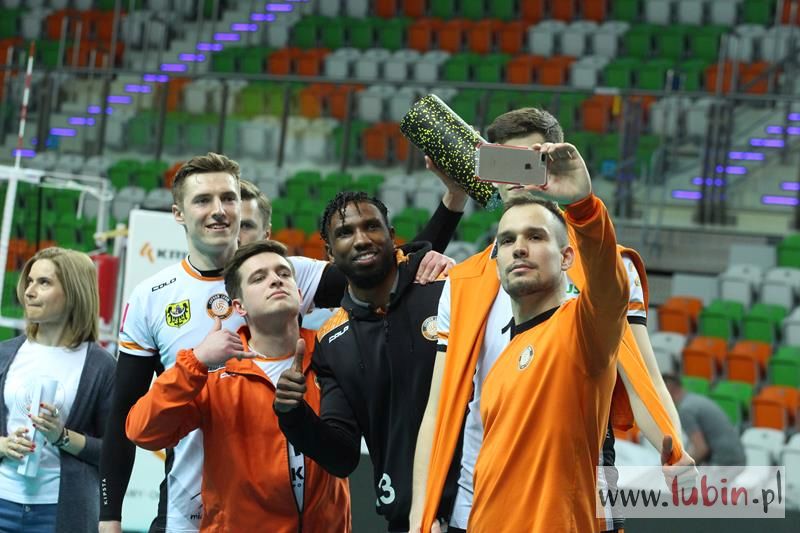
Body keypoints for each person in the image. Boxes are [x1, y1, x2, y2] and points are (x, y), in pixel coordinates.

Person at [99, 153, 462, 533]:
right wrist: (109, 517)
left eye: (228, 198)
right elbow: (128, 418)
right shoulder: (156, 303)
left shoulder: (322, 342)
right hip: (196, 510)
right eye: (203, 200)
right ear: (178, 213)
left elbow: (375, 265)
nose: (218, 210)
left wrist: (433, 242)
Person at [410, 108, 694, 533]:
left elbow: (643, 377)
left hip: (574, 503)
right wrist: (420, 514)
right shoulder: (463, 282)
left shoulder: (606, 267)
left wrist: (673, 449)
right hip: (476, 507)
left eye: (529, 163)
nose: (516, 178)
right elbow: (438, 408)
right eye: (505, 163)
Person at [125, 240, 350, 532]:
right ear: (239, 306)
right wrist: (195, 361)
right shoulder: (214, 373)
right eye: (259, 278)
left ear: (298, 293)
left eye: (283, 273)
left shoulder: (333, 353)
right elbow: (142, 432)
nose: (275, 280)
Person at [274, 191, 462, 533]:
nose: (361, 239)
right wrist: (294, 416)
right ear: (330, 253)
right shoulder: (332, 341)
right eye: (345, 232)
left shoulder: (446, 290)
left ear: (392, 236)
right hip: (406, 520)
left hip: (481, 505)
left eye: (372, 226)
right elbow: (342, 457)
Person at [470, 141, 628, 532]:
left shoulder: (583, 330)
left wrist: (583, 207)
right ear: (496, 260)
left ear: (567, 257)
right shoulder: (500, 360)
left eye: (536, 237)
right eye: (507, 241)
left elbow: (610, 288)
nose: (519, 249)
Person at [0, 247, 115, 532]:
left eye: (44, 282)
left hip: (60, 513)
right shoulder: (4, 354)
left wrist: (61, 436)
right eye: (29, 281)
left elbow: (113, 452)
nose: (29, 291)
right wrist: (2, 445)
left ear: (73, 293)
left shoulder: (101, 366)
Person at [663, 374, 746, 466]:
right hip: (737, 457)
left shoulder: (686, 410)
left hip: (726, 462)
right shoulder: (695, 399)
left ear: (667, 390)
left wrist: (678, 468)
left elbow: (701, 449)